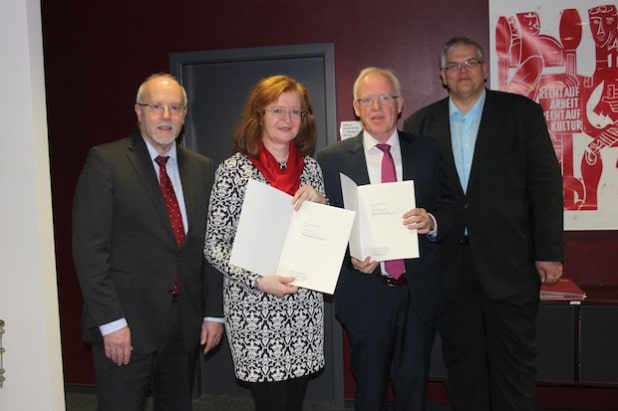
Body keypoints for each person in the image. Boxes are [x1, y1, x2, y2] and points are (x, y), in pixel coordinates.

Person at [403, 37, 564, 411]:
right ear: (442, 76)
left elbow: (546, 185)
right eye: (454, 66)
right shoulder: (419, 124)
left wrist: (549, 252)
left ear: (485, 69)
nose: (463, 71)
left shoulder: (521, 114)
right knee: (463, 367)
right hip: (449, 269)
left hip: (510, 264)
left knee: (514, 364)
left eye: (471, 62)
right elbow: (413, 193)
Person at [72, 73, 224, 411]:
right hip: (126, 323)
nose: (166, 116)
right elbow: (89, 251)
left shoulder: (202, 168)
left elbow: (209, 248)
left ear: (185, 115)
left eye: (174, 107)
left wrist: (215, 313)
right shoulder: (106, 162)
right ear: (138, 111)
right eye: (156, 107)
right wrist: (111, 322)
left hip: (183, 323)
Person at [316, 67, 455, 411]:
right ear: (356, 107)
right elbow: (327, 225)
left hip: (417, 291)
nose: (377, 107)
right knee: (369, 390)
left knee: (412, 389)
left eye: (385, 98)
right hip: (366, 294)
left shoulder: (427, 150)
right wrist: (350, 255)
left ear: (400, 104)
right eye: (368, 100)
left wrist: (433, 220)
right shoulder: (331, 159)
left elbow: (450, 205)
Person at [204, 75, 327, 411]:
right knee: (271, 404)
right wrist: (258, 280)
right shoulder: (233, 171)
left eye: (295, 112)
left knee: (295, 401)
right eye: (277, 110)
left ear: (305, 120)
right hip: (254, 308)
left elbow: (324, 236)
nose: (287, 119)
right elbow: (214, 245)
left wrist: (321, 202)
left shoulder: (312, 170)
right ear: (259, 115)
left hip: (302, 309)